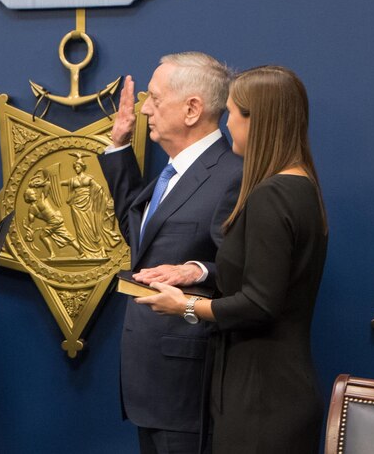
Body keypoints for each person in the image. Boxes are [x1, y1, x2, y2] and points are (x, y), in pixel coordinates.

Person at [137, 66, 328, 453]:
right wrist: (195, 270)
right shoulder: (303, 185)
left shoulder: (271, 195)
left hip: (261, 398)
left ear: (258, 120)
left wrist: (185, 305)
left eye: (231, 113)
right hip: (275, 389)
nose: (226, 124)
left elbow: (259, 303)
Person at [99, 52, 242, 454]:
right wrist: (118, 146)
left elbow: (243, 271)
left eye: (156, 100)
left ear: (192, 109)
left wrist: (197, 270)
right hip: (151, 383)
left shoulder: (232, 175)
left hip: (188, 384)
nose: (146, 109)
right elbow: (143, 238)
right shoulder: (174, 172)